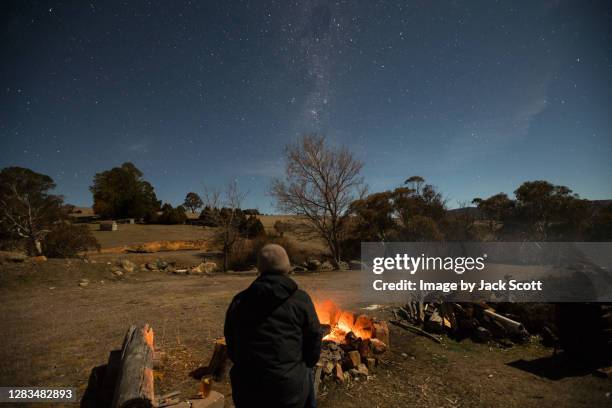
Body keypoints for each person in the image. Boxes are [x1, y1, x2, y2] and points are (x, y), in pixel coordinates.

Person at [224, 244, 322, 408]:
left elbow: (232, 345)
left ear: (259, 269)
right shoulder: (300, 299)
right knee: (307, 374)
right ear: (287, 267)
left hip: (248, 390)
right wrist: (303, 364)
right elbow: (314, 339)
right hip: (288, 391)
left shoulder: (239, 301)